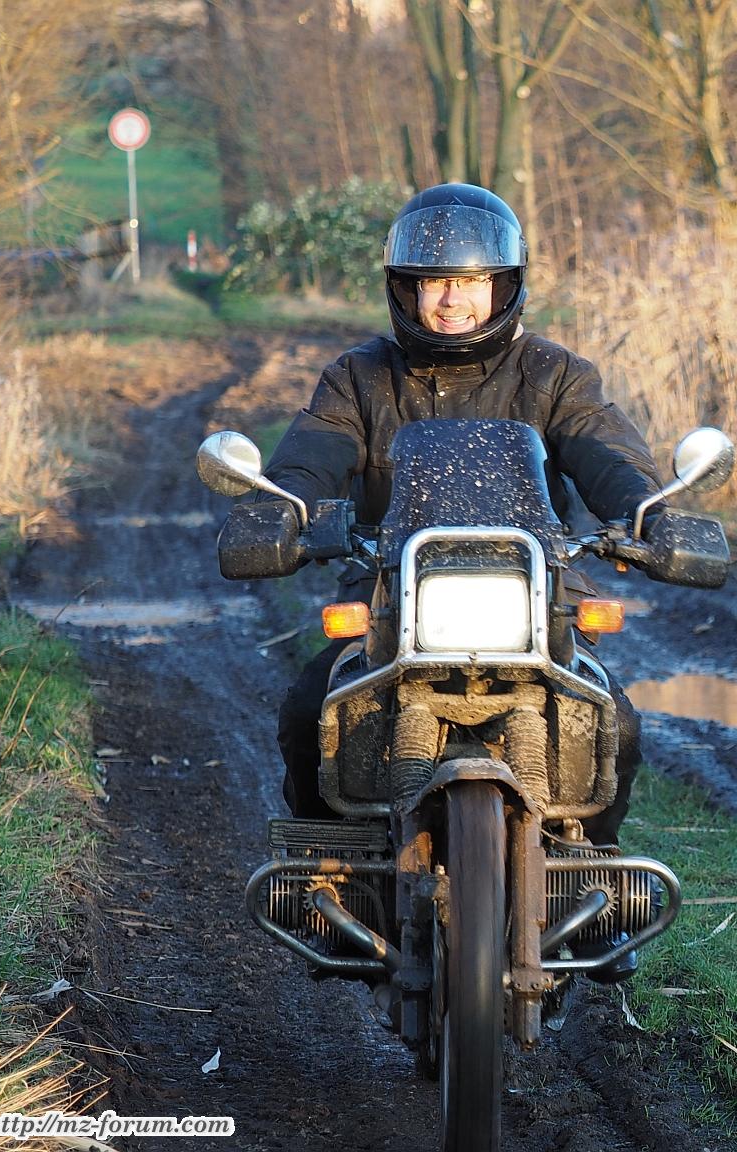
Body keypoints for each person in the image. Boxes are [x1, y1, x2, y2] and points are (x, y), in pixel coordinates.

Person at [263, 184, 656, 980]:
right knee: (311, 709)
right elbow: (312, 454)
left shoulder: (554, 374)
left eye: (471, 281)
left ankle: (594, 879)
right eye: (433, 281)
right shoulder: (359, 378)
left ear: (502, 285)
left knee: (612, 721)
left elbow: (605, 448)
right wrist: (279, 511)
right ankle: (331, 880)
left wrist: (648, 512)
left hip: (533, 597)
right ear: (403, 288)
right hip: (391, 593)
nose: (452, 299)